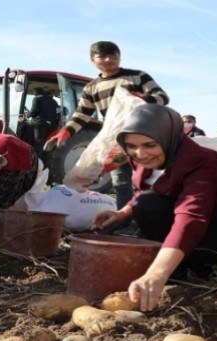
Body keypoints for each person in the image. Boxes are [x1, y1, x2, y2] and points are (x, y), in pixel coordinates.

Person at [92, 104, 217, 311]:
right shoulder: (144, 158)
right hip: (195, 225)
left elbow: (191, 218)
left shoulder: (202, 163)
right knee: (146, 204)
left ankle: (207, 270)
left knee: (167, 219)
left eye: (149, 144)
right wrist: (122, 212)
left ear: (168, 138)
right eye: (131, 145)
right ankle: (176, 273)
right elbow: (148, 190)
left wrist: (156, 272)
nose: (140, 153)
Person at [45, 41, 169, 234]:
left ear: (119, 56)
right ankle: (124, 224)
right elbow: (81, 115)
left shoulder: (137, 77)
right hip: (115, 142)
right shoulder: (92, 88)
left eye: (113, 55)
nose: (109, 59)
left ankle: (146, 223)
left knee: (145, 179)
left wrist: (142, 100)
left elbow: (162, 97)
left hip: (143, 136)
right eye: (102, 56)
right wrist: (67, 131)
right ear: (92, 60)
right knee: (121, 182)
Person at [28, 87, 60, 160]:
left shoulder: (37, 98)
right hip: (51, 124)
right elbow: (58, 111)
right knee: (44, 141)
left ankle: (38, 160)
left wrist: (28, 115)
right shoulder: (53, 101)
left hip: (40, 123)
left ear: (36, 93)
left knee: (38, 142)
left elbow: (34, 111)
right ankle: (46, 158)